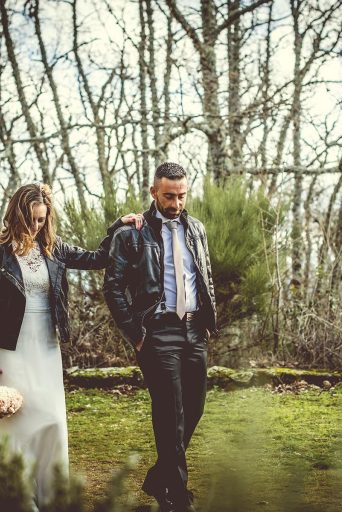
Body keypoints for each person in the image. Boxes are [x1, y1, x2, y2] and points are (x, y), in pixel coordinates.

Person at [0, 183, 142, 509]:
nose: (36, 226)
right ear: (17, 214)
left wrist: (118, 226)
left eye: (42, 220)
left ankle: (50, 495)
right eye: (31, 219)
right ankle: (18, 497)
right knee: (16, 424)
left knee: (51, 420)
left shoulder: (54, 249)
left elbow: (97, 259)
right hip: (10, 349)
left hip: (46, 346)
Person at [103, 162, 217, 512]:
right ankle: (176, 495)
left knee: (194, 408)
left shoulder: (196, 229)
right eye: (169, 196)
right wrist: (135, 333)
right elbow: (113, 287)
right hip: (157, 332)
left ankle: (158, 477)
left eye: (182, 196)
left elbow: (205, 275)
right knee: (171, 412)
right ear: (154, 192)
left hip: (194, 330)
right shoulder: (132, 233)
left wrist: (209, 319)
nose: (176, 203)